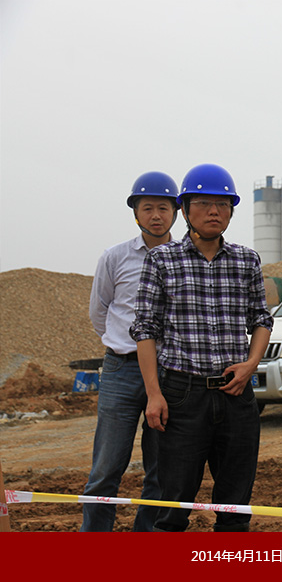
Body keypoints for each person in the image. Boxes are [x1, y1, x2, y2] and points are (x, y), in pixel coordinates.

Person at [130, 163, 273, 532]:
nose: (214, 212)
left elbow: (261, 319)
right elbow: (145, 329)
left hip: (236, 395)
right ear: (185, 209)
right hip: (183, 396)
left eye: (223, 205)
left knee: (235, 507)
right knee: (173, 505)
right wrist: (154, 394)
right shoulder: (162, 260)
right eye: (205, 204)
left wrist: (251, 364)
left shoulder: (246, 260)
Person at [80, 171, 179, 532]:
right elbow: (99, 312)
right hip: (121, 370)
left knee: (161, 470)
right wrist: (124, 346)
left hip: (169, 373)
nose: (156, 215)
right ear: (135, 213)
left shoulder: (185, 259)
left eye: (163, 208)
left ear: (176, 212)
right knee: (106, 468)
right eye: (147, 208)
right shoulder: (115, 257)